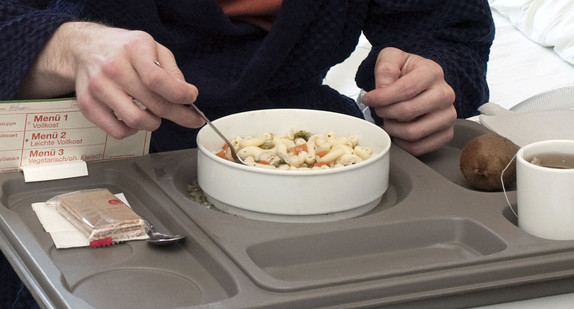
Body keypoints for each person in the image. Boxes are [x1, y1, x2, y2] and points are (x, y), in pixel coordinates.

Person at [0, 0, 495, 307]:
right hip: (78, 145)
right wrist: (66, 46)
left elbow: (447, 28)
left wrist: (431, 80)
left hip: (302, 151)